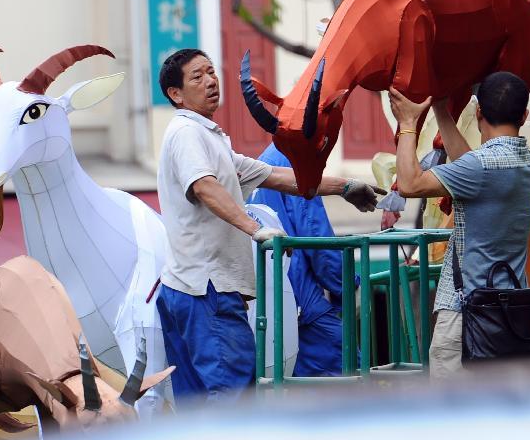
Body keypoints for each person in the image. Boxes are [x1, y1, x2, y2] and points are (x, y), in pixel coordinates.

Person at [155, 48, 383, 402]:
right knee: (233, 397)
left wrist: (345, 186)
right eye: (197, 77)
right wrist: (255, 229)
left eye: (212, 72)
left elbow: (276, 176)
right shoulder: (187, 132)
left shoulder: (210, 138)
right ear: (176, 94)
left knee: (199, 407)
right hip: (208, 289)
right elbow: (203, 186)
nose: (211, 81)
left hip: (188, 288)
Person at [388, 72, 530, 379]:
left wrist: (407, 125)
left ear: (479, 112)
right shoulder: (527, 160)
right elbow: (473, 167)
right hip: (511, 318)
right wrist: (442, 112)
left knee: (454, 421)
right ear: (524, 115)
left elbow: (409, 184)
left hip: (465, 317)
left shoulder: (480, 168)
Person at [249, 143, 349, 377]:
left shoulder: (267, 157)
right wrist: (346, 286)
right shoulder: (295, 158)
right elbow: (316, 236)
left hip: (273, 297)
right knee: (348, 382)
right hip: (302, 301)